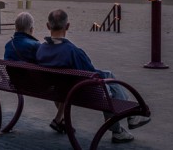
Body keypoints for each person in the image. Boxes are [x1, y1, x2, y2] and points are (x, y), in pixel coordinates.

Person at [35, 9, 150, 143]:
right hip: (83, 94)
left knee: (107, 76)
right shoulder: (73, 51)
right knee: (109, 83)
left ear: (48, 26)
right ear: (67, 26)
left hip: (56, 91)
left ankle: (126, 120)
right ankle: (125, 121)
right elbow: (91, 74)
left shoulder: (41, 50)